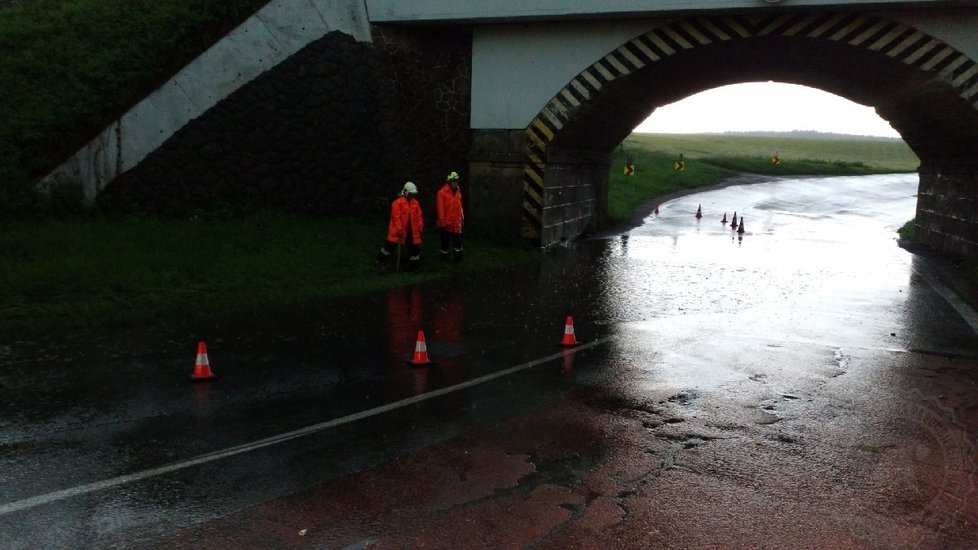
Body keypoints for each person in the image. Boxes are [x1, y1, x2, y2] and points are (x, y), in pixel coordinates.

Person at [377, 181, 424, 270]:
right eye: (411, 193)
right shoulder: (397, 203)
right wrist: (399, 229)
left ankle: (414, 266)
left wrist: (420, 226)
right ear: (406, 192)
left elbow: (419, 216)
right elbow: (396, 217)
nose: (413, 195)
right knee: (389, 247)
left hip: (412, 231)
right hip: (397, 231)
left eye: (414, 194)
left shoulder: (415, 203)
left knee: (414, 248)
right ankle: (380, 260)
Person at [436, 170, 464, 262]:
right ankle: (444, 260)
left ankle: (458, 260)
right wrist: (442, 221)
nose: (455, 183)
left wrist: (462, 218)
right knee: (445, 243)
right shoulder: (442, 192)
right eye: (454, 181)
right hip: (446, 224)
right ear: (449, 182)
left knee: (458, 243)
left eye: (456, 181)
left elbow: (460, 207)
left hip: (456, 223)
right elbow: (440, 209)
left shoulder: (458, 192)